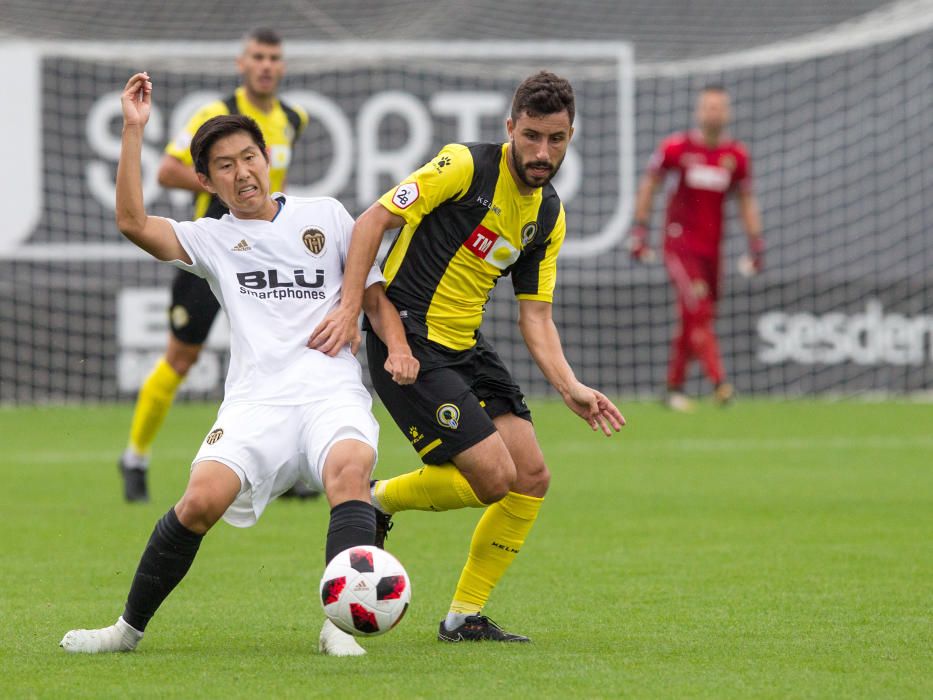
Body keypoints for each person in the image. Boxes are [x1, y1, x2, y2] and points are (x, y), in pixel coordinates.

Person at [61, 73, 419, 657]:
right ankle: (124, 631)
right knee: (199, 501)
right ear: (205, 181)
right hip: (256, 401)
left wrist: (398, 350)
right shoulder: (211, 238)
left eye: (249, 157)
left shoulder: (326, 215)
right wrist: (133, 130)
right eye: (224, 166)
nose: (242, 172)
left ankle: (338, 624)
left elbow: (375, 301)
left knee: (350, 473)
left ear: (268, 158)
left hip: (330, 391)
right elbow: (131, 222)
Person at [308, 70, 625, 643]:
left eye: (555, 139)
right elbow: (371, 222)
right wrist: (351, 306)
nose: (541, 151)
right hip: (407, 342)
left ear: (571, 136)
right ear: (510, 128)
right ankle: (379, 500)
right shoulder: (464, 166)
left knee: (531, 477)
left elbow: (536, 316)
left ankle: (463, 617)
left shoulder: (547, 215)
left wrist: (570, 386)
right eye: (531, 135)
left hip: (465, 347)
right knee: (494, 477)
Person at [119, 27, 314, 502]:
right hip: (218, 255)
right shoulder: (214, 113)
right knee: (181, 358)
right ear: (241, 64)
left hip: (271, 257)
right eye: (258, 57)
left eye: (274, 57)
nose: (266, 65)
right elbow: (167, 170)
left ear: (282, 66)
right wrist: (224, 184)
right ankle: (135, 457)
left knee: (281, 357)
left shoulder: (293, 117)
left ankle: (280, 468)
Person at [629, 85, 764, 412]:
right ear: (698, 112)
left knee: (694, 318)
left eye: (719, 107)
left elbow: (746, 200)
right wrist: (639, 230)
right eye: (708, 107)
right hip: (679, 244)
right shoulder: (676, 149)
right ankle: (721, 384)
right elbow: (650, 184)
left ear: (727, 113)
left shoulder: (736, 157)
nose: (713, 113)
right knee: (699, 310)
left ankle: (673, 388)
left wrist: (756, 245)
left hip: (712, 250)